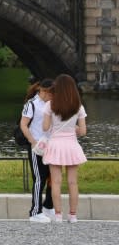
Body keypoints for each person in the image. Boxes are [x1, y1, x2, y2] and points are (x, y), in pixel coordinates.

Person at [42, 74, 87, 223]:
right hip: (71, 145)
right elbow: (83, 131)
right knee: (73, 182)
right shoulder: (78, 106)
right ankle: (73, 215)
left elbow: (45, 128)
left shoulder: (50, 105)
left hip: (55, 144)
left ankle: (58, 215)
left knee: (56, 182)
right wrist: (72, 128)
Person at [19, 78, 55, 223]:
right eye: (52, 92)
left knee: (52, 178)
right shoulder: (31, 104)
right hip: (37, 147)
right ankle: (35, 211)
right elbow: (23, 124)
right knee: (39, 178)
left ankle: (48, 205)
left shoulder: (53, 104)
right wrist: (32, 142)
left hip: (51, 145)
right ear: (44, 91)